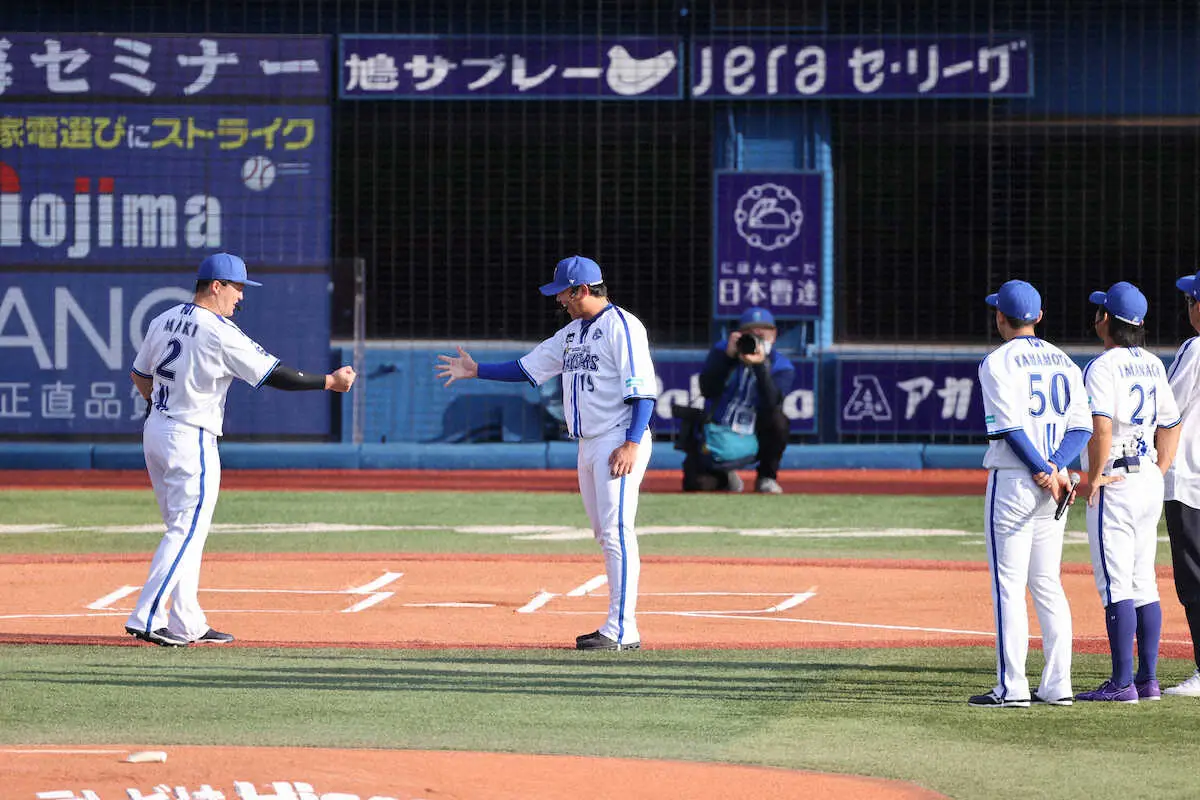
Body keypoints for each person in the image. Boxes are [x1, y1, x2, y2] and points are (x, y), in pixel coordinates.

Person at [125, 253, 357, 647]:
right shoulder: (219, 331)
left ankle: (187, 622)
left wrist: (162, 409)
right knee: (185, 530)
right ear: (216, 286)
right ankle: (147, 616)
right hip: (190, 436)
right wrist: (329, 382)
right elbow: (274, 374)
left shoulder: (163, 318)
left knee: (185, 531)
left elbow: (139, 375)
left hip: (157, 430)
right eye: (237, 287)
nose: (241, 296)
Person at [436, 255, 655, 651]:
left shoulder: (622, 326)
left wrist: (632, 443)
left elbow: (642, 390)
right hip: (588, 443)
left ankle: (623, 629)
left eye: (564, 293)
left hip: (618, 438)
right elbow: (527, 368)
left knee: (616, 531)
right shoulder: (571, 333)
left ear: (583, 290)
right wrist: (477, 370)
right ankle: (618, 625)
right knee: (604, 533)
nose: (559, 300)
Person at [969, 280, 1092, 709]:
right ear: (1038, 317)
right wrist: (1056, 467)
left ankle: (1013, 687)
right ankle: (1058, 685)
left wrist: (1043, 469)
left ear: (1000, 317)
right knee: (1047, 583)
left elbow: (1009, 428)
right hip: (1054, 484)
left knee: (1009, 586)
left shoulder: (997, 361)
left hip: (1015, 480)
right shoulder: (1065, 361)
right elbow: (1082, 428)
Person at [1076, 281, 1181, 703]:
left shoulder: (1102, 367)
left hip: (1117, 479)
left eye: (1100, 311)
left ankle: (1121, 684)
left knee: (1116, 585)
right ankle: (1147, 680)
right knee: (1144, 582)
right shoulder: (1153, 364)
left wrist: (1095, 475)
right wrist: (1159, 469)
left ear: (1106, 320)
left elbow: (1101, 427)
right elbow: (1171, 423)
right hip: (1147, 477)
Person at [682, 307, 795, 494]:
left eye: (762, 334)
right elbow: (707, 390)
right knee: (697, 485)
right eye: (750, 333)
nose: (756, 339)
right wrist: (727, 358)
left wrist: (759, 366)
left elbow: (771, 402)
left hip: (755, 430)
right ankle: (725, 476)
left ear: (774, 335)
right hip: (718, 427)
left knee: (779, 420)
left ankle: (766, 476)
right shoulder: (722, 351)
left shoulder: (782, 366)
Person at [1161, 269, 1200, 696]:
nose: (1188, 307)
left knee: (1194, 580)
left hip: (1189, 478)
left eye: (1191, 300)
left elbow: (1167, 409)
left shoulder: (1195, 347)